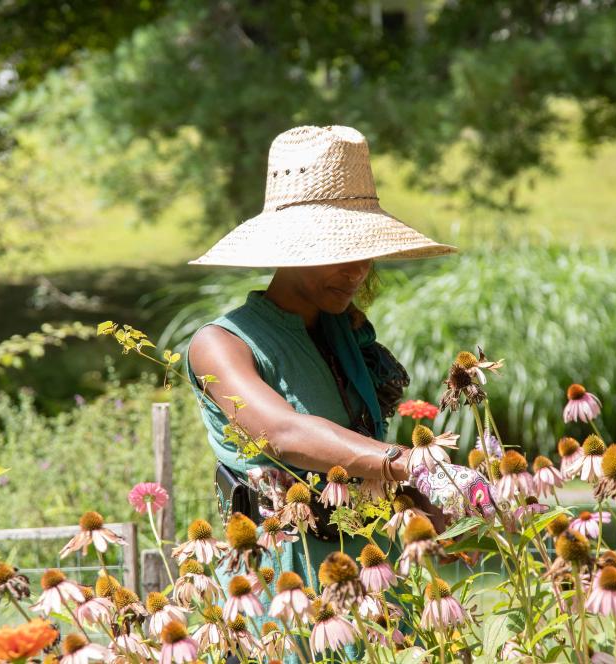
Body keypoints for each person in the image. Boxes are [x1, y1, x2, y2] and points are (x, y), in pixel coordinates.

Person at [184, 125, 455, 585]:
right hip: (287, 579)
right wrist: (412, 462)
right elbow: (281, 433)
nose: (357, 269)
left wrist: (425, 508)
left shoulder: (345, 331)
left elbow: (357, 441)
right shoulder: (221, 343)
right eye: (340, 251)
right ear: (292, 249)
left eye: (365, 251)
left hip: (373, 566)